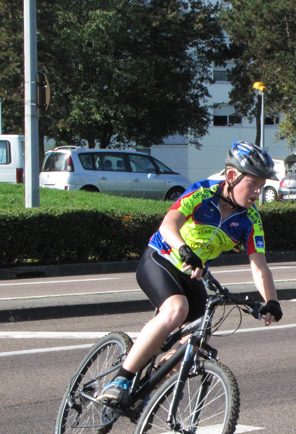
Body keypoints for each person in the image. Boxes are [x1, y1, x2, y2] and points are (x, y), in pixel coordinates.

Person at [98, 140, 283, 407]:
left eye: (262, 185)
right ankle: (120, 380)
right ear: (232, 176)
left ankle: (148, 384)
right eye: (253, 183)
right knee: (176, 309)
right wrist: (183, 249)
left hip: (194, 274)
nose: (258, 191)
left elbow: (259, 265)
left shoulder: (250, 220)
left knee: (195, 342)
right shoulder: (202, 193)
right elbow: (168, 225)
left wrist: (272, 301)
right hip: (161, 259)